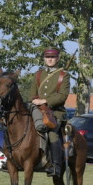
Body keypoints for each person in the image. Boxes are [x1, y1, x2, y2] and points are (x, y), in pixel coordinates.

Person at [24, 47, 70, 175]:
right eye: (47, 57)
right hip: (37, 110)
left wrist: (44, 101)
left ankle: (55, 166)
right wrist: (34, 101)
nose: (50, 59)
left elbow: (62, 96)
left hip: (55, 112)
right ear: (44, 58)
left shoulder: (64, 75)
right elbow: (31, 95)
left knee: (52, 132)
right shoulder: (38, 74)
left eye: (53, 57)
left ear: (58, 58)